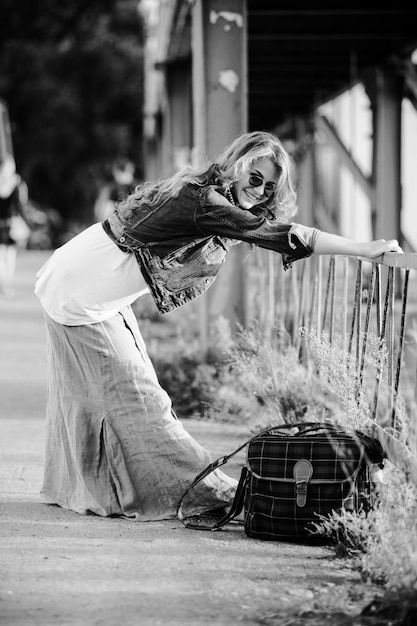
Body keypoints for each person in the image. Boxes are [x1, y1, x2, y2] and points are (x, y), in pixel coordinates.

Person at [34, 130, 402, 522]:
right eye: (254, 178)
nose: (260, 191)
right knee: (137, 396)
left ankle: (99, 483)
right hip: (81, 288)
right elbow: (282, 236)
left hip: (93, 286)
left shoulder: (212, 194)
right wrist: (363, 248)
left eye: (269, 187)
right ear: (236, 167)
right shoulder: (206, 201)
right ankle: (195, 489)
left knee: (114, 391)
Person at [0, 155, 28, 298]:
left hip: (10, 224)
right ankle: (4, 284)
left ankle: (5, 284)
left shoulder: (17, 183)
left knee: (8, 255)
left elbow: (21, 203)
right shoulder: (13, 183)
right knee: (4, 255)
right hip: (5, 223)